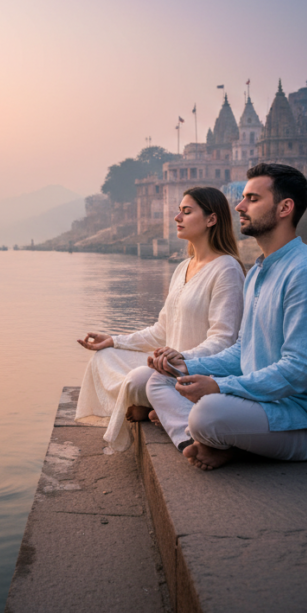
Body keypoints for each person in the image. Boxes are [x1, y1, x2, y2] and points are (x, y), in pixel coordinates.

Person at [148, 162, 307, 471]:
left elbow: (299, 370)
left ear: (285, 207)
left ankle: (212, 438)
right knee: (159, 380)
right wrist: (185, 364)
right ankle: (206, 441)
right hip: (263, 401)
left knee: (208, 413)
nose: (239, 206)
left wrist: (221, 387)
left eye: (252, 199)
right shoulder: (259, 270)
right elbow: (241, 350)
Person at [74, 186, 245, 453]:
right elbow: (161, 330)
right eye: (178, 211)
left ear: (212, 219)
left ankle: (163, 410)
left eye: (186, 212)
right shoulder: (182, 268)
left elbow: (225, 340)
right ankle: (158, 405)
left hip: (195, 370)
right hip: (166, 364)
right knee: (104, 358)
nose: (177, 218)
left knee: (139, 379)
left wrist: (182, 358)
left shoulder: (227, 269)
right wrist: (114, 340)